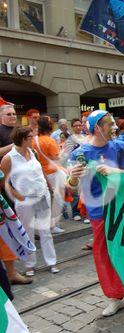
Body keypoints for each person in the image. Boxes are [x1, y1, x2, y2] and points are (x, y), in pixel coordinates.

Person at [68, 110, 124, 317]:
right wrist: (72, 178)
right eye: (109, 124)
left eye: (114, 123)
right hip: (98, 210)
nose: (114, 127)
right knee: (104, 253)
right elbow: (71, 189)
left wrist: (115, 171)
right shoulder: (80, 153)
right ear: (96, 127)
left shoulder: (120, 146)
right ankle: (115, 297)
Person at [1, 126, 59, 276]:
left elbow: (40, 171)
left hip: (42, 195)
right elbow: (4, 181)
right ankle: (29, 265)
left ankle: (51, 262)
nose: (33, 139)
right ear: (22, 139)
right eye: (30, 137)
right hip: (25, 200)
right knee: (28, 232)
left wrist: (48, 185)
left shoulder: (33, 153)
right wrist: (16, 195)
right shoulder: (9, 158)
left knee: (46, 231)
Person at [0, 103, 32, 285]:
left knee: (12, 227)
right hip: (4, 186)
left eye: (14, 114)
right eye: (9, 114)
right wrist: (14, 146)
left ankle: (12, 271)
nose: (13, 116)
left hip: (19, 186)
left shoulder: (17, 130)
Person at [32, 116, 66, 234]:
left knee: (45, 200)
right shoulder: (50, 141)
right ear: (49, 126)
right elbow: (57, 157)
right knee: (58, 200)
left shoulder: (34, 139)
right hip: (53, 172)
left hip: (41, 172)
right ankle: (53, 225)